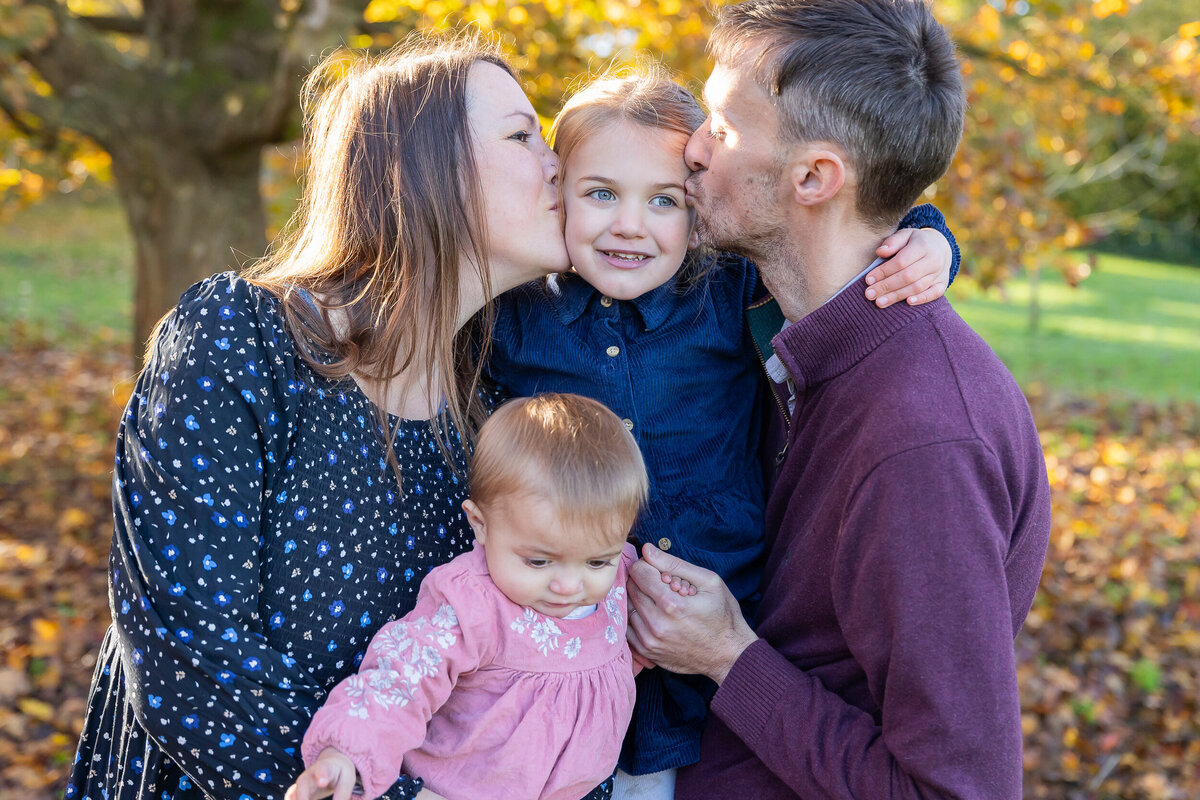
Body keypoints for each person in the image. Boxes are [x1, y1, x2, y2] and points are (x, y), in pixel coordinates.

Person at [63, 35, 614, 800]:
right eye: (524, 136)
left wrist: (844, 288)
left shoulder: (493, 416)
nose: (560, 164)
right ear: (421, 171)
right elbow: (193, 665)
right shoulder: (240, 339)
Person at [485, 67, 960, 798]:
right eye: (601, 193)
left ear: (699, 208)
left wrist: (931, 241)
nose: (629, 225)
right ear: (561, 194)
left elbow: (856, 228)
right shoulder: (518, 316)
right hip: (557, 636)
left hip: (712, 636)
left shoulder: (725, 289)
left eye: (664, 201)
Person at [624, 1, 1053, 798]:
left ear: (814, 178)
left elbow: (953, 790)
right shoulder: (761, 310)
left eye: (721, 125)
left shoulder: (922, 444)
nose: (692, 147)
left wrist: (727, 656)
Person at [287, 393, 665, 800]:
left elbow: (612, 654)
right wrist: (346, 752)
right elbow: (402, 680)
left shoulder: (617, 578)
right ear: (481, 524)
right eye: (539, 562)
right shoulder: (473, 605)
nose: (569, 586)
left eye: (596, 562)